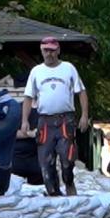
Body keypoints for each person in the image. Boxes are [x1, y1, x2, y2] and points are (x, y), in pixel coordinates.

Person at [21, 37, 89, 197]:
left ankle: (69, 182)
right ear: (41, 51)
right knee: (45, 162)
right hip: (45, 121)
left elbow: (82, 92)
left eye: (52, 50)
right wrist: (24, 121)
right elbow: (28, 97)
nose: (49, 54)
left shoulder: (68, 68)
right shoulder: (36, 72)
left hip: (66, 119)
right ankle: (53, 192)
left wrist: (84, 115)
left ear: (58, 50)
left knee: (68, 158)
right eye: (46, 50)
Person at [12, 106, 43, 185]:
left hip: (37, 159)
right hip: (16, 158)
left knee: (39, 192)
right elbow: (9, 132)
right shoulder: (17, 109)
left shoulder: (44, 111)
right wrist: (30, 134)